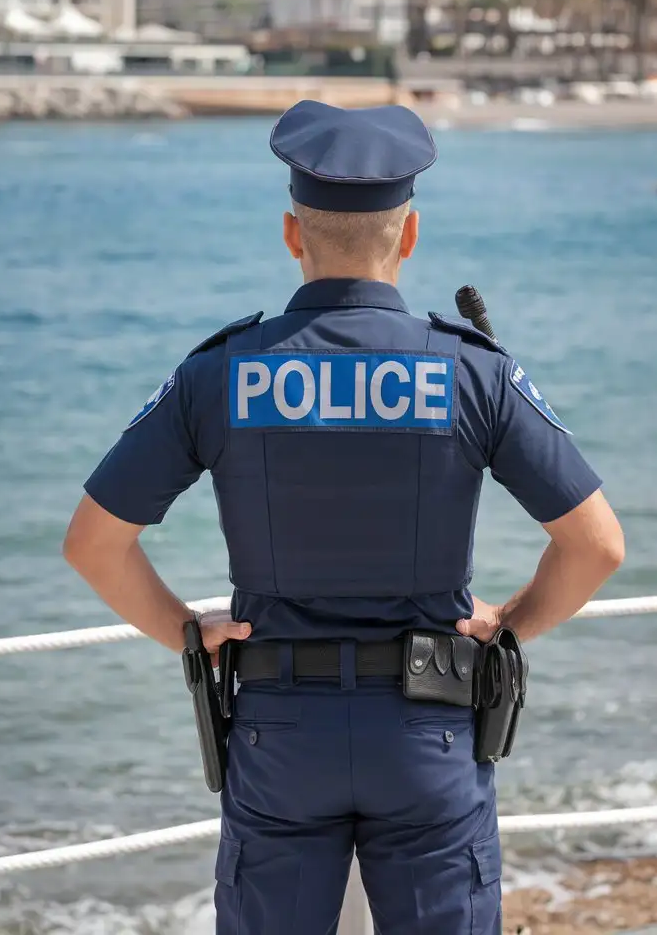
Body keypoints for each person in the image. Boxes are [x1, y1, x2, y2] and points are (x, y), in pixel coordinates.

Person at [64, 98, 625, 935]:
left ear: (293, 234)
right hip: (428, 731)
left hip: (278, 737)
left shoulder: (222, 373)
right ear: (410, 234)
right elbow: (596, 547)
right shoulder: (469, 372)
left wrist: (188, 631)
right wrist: (507, 624)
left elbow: (94, 546)